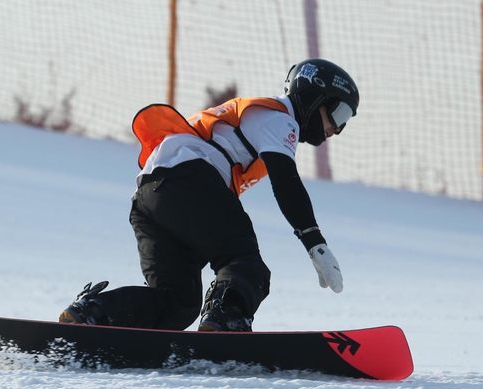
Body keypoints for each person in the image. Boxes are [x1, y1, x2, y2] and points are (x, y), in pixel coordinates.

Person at [59, 58, 359, 331]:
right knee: (245, 262)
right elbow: (286, 182)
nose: (337, 128)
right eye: (338, 113)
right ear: (314, 96)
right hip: (188, 181)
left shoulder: (261, 116)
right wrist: (315, 243)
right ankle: (225, 322)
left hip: (149, 196)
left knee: (177, 302)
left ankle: (95, 314)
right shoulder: (280, 119)